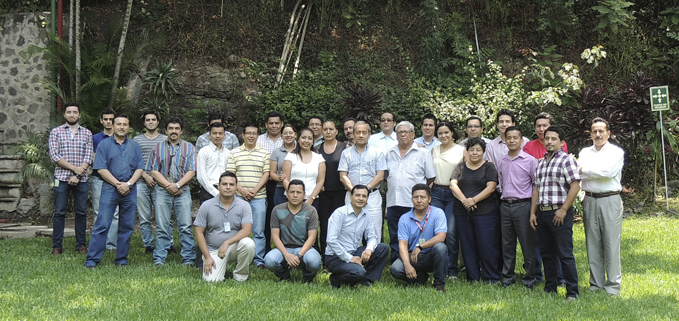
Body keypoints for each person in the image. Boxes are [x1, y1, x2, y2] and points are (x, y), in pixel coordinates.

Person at [529, 125, 580, 301]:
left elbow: (575, 185)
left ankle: (572, 292)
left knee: (565, 254)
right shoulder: (541, 163)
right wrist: (533, 213)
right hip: (542, 213)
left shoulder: (566, 160)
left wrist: (564, 209)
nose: (549, 141)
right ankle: (550, 288)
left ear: (561, 142)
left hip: (560, 213)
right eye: (547, 138)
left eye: (554, 139)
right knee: (547, 253)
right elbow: (536, 188)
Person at [85, 115, 144, 268]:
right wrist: (118, 184)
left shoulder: (135, 146)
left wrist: (129, 184)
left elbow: (140, 168)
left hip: (130, 190)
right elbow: (100, 168)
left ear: (129, 127)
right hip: (110, 189)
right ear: (113, 125)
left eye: (125, 124)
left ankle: (121, 260)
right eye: (119, 124)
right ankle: (92, 260)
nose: (121, 127)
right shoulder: (103, 145)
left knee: (127, 226)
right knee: (102, 224)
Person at [578, 117, 624, 296]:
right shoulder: (584, 152)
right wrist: (591, 171)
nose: (598, 134)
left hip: (610, 200)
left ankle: (612, 286)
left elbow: (608, 172)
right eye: (594, 131)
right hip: (589, 199)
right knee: (592, 243)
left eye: (601, 131)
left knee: (611, 243)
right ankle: (595, 284)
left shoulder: (616, 152)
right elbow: (579, 174)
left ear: (608, 133)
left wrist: (585, 170)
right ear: (590, 134)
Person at [523, 112, 567, 285]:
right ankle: (540, 276)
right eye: (538, 126)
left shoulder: (560, 148)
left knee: (559, 245)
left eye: (545, 126)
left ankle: (561, 277)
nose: (542, 129)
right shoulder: (530, 147)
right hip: (538, 199)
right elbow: (533, 178)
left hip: (557, 201)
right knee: (540, 243)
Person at [450, 137, 501, 283]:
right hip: (462, 212)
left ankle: (491, 277)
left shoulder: (488, 167)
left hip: (485, 212)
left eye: (478, 150)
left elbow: (491, 187)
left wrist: (474, 200)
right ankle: (473, 277)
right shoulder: (460, 167)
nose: (475, 153)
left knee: (487, 244)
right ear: (467, 151)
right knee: (467, 244)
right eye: (472, 150)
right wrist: (465, 201)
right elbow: (453, 185)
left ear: (483, 152)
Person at [148, 116, 197, 266]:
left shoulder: (190, 148)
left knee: (186, 226)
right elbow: (153, 171)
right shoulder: (157, 148)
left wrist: (177, 185)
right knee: (162, 226)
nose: (173, 131)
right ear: (166, 130)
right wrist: (169, 186)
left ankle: (188, 258)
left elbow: (192, 171)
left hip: (183, 190)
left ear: (181, 131)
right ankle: (160, 258)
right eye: (171, 128)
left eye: (176, 128)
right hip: (163, 191)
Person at [385, 121, 436, 263]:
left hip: (413, 202)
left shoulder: (423, 153)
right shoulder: (390, 153)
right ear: (396, 136)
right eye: (400, 132)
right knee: (394, 233)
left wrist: (420, 193)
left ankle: (416, 260)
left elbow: (431, 176)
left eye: (406, 132)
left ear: (413, 135)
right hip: (394, 200)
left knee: (414, 233)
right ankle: (397, 261)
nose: (403, 135)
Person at [194, 171, 256, 282]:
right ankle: (215, 265)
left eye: (231, 185)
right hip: (213, 250)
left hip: (234, 247)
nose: (228, 187)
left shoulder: (244, 205)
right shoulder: (206, 205)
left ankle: (240, 276)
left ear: (237, 187)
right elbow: (198, 233)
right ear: (219, 186)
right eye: (224, 184)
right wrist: (207, 257)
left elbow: (247, 230)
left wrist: (226, 243)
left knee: (248, 243)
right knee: (211, 281)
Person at [48, 102, 92, 255]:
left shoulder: (87, 133)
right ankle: (57, 246)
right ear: (65, 114)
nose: (72, 114)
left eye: (75, 112)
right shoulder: (56, 132)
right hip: (61, 178)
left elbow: (88, 156)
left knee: (81, 212)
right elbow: (55, 156)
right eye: (69, 112)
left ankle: (81, 245)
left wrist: (78, 175)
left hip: (82, 180)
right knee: (60, 212)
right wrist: (75, 170)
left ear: (79, 115)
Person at [496, 126, 538, 288]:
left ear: (521, 140)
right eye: (509, 138)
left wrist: (533, 210)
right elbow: (500, 182)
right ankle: (508, 278)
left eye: (515, 138)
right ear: (505, 140)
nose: (512, 141)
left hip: (524, 206)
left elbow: (536, 186)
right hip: (505, 206)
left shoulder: (530, 161)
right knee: (507, 244)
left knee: (527, 244)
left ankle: (529, 279)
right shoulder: (502, 161)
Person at [325, 185, 389, 288]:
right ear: (351, 197)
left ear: (367, 199)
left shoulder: (366, 215)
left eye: (364, 196)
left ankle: (367, 280)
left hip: (354, 252)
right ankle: (336, 279)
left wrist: (368, 249)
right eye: (357, 195)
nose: (361, 198)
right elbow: (331, 240)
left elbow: (372, 237)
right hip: (335, 257)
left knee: (383, 248)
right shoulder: (339, 213)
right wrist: (350, 258)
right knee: (359, 272)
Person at [226, 124, 271, 269]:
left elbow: (267, 174)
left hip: (259, 197)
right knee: (238, 229)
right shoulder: (234, 153)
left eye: (254, 133)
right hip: (238, 197)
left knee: (259, 231)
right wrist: (243, 191)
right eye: (248, 133)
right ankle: (240, 258)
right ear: (243, 135)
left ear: (258, 136)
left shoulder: (265, 153)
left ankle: (258, 261)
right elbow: (231, 175)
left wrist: (254, 190)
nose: (251, 136)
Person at [390, 184, 448, 292]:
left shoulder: (438, 213)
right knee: (396, 269)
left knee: (441, 247)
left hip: (431, 255)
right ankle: (420, 278)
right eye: (416, 197)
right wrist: (407, 265)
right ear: (412, 199)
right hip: (413, 257)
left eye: (423, 197)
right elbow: (402, 244)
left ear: (429, 199)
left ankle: (439, 284)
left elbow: (441, 237)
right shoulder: (404, 218)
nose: (419, 200)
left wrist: (420, 247)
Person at [264, 180, 321, 282]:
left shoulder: (311, 210)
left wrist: (299, 256)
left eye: (299, 192)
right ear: (286, 194)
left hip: (305, 249)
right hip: (284, 248)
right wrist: (286, 254)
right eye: (292, 192)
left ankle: (307, 276)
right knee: (269, 260)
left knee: (314, 262)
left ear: (304, 195)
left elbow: (312, 238)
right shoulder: (277, 210)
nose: (295, 195)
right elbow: (275, 237)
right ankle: (284, 274)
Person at [338, 120, 386, 241]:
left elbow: (380, 176)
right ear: (353, 134)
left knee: (374, 232)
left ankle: (373, 258)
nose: (361, 135)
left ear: (369, 135)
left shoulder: (377, 153)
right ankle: (354, 258)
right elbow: (343, 176)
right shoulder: (346, 153)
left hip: (372, 197)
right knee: (350, 231)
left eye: (364, 132)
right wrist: (355, 193)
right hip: (351, 196)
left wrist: (365, 191)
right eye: (358, 132)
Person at [430, 121, 464, 279]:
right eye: (440, 133)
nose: (443, 136)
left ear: (452, 133)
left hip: (453, 194)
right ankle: (436, 267)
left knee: (450, 232)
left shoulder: (461, 150)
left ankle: (452, 270)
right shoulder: (433, 150)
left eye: (446, 132)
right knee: (435, 231)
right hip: (436, 192)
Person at [133, 111, 169, 254]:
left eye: (153, 119)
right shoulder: (137, 140)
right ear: (144, 123)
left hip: (161, 183)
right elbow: (134, 160)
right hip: (141, 182)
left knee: (164, 215)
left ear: (158, 122)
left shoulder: (165, 139)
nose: (151, 122)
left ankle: (169, 242)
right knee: (144, 216)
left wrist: (158, 179)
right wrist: (146, 176)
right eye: (148, 120)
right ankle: (148, 244)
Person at [318, 120, 347, 265]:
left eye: (331, 129)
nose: (328, 132)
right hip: (323, 194)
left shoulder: (344, 147)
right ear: (322, 132)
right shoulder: (317, 149)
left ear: (336, 131)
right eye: (325, 129)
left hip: (340, 193)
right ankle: (325, 261)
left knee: (340, 227)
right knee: (324, 227)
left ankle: (340, 259)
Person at [257, 111, 284, 260]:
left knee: (281, 215)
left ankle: (285, 248)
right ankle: (266, 248)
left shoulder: (287, 138)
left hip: (281, 184)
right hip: (263, 183)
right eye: (271, 123)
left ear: (281, 124)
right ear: (266, 125)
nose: (274, 126)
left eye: (276, 123)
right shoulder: (259, 140)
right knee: (266, 217)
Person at [91, 108, 119, 252]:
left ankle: (111, 245)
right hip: (99, 179)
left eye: (111, 119)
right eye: (106, 119)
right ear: (101, 121)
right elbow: (95, 160)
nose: (108, 122)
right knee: (98, 211)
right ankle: (98, 243)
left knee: (114, 213)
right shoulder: (95, 138)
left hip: (116, 181)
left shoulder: (119, 137)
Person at [282, 127, 326, 210]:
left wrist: (311, 199)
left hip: (312, 199)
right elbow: (285, 179)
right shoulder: (290, 157)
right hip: (291, 199)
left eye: (310, 138)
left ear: (313, 141)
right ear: (298, 139)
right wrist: (293, 195)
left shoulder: (319, 158)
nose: (306, 141)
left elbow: (320, 181)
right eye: (303, 137)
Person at [196, 123, 230, 203]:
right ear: (209, 135)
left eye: (220, 133)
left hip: (225, 190)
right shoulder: (204, 152)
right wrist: (216, 193)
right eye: (215, 133)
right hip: (207, 192)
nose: (217, 136)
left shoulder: (228, 153)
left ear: (224, 135)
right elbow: (201, 176)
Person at [270, 124, 297, 206]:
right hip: (281, 189)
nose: (288, 135)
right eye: (285, 133)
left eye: (290, 133)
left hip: (298, 190)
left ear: (295, 135)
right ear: (281, 136)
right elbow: (272, 173)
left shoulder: (301, 150)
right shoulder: (276, 152)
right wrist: (279, 178)